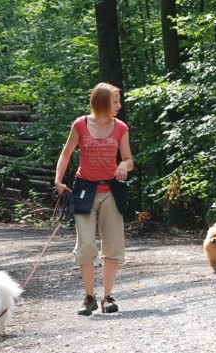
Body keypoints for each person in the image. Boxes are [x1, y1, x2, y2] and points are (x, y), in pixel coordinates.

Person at [54, 82, 134, 315]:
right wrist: (58, 180)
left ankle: (107, 297)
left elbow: (129, 160)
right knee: (86, 245)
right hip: (84, 189)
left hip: (111, 190)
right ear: (101, 103)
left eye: (119, 100)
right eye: (115, 101)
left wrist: (123, 163)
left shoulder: (120, 127)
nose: (119, 105)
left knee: (113, 245)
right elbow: (66, 153)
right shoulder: (80, 124)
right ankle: (88, 297)